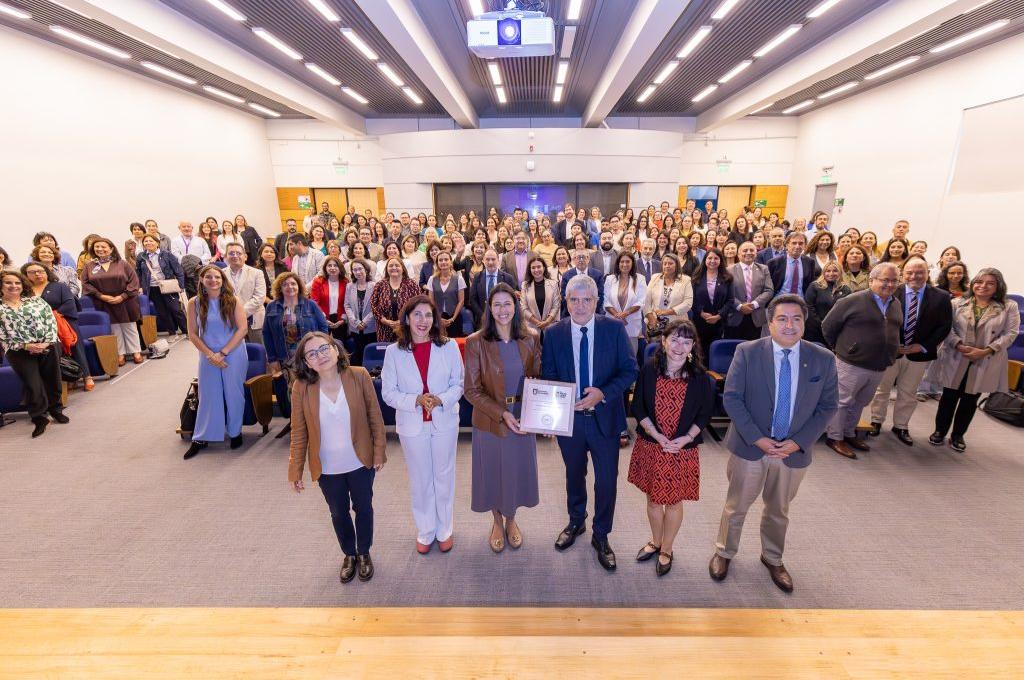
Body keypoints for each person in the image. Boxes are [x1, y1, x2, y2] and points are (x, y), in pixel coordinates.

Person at [709, 294, 838, 592]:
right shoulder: (748, 352)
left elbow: (828, 407)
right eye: (782, 318)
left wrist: (798, 442)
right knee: (736, 506)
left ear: (805, 324)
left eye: (796, 319)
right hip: (751, 447)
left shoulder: (823, 358)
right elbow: (732, 398)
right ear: (770, 323)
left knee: (779, 510)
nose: (789, 325)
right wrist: (758, 438)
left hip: (793, 452)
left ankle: (773, 557)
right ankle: (724, 552)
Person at [541, 274, 639, 571]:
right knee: (574, 475)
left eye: (587, 300)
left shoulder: (614, 329)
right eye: (574, 299)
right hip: (570, 422)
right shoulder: (555, 333)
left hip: (605, 419)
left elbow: (629, 371)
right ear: (566, 302)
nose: (580, 305)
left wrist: (603, 394)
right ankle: (576, 521)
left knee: (607, 481)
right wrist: (553, 411)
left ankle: (601, 534)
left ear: (597, 302)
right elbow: (550, 375)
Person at [288, 331, 386, 583]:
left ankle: (363, 552)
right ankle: (349, 554)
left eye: (323, 349)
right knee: (338, 513)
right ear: (306, 362)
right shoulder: (301, 387)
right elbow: (299, 432)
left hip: (359, 460)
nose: (319, 356)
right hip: (327, 466)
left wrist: (379, 452)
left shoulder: (359, 375)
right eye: (311, 353)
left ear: (335, 348)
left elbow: (375, 417)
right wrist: (295, 470)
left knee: (363, 507)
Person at [629, 319, 715, 576]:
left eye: (686, 341)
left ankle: (667, 548)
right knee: (654, 500)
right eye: (674, 339)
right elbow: (638, 407)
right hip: (651, 446)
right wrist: (655, 434)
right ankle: (655, 541)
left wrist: (686, 439)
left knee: (674, 502)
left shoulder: (700, 378)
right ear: (663, 341)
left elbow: (704, 415)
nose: (679, 346)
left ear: (692, 347)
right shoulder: (648, 370)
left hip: (681, 450)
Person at [381, 296, 465, 554]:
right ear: (407, 318)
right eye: (417, 315)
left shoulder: (448, 347)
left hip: (444, 420)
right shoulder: (393, 352)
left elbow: (458, 384)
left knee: (443, 476)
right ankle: (426, 530)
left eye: (428, 315)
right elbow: (388, 393)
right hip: (412, 424)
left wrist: (440, 399)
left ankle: (444, 529)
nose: (423, 321)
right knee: (421, 479)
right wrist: (415, 400)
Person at [464, 284, 541, 552]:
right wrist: (502, 414)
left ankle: (511, 520)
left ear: (515, 306)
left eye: (507, 304)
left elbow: (538, 380)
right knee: (494, 472)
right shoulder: (476, 342)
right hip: (491, 419)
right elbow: (471, 391)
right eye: (496, 304)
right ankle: (496, 521)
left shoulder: (531, 337)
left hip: (523, 418)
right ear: (489, 308)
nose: (502, 310)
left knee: (515, 472)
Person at [928, 268, 1019, 453]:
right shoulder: (957, 303)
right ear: (972, 283)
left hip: (985, 359)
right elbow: (948, 328)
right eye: (979, 281)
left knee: (970, 399)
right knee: (949, 396)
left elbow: (1011, 333)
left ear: (998, 287)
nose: (983, 286)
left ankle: (958, 435)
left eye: (990, 283)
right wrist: (958, 345)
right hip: (957, 355)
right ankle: (939, 431)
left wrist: (986, 350)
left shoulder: (1009, 306)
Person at [821, 263, 903, 459]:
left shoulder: (895, 303)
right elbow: (828, 326)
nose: (889, 284)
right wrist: (843, 349)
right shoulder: (852, 300)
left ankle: (849, 433)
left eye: (894, 281)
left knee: (860, 402)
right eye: (885, 280)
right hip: (851, 363)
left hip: (878, 364)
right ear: (871, 280)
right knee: (842, 401)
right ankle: (834, 437)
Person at [867, 257, 952, 446]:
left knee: (908, 392)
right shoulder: (889, 291)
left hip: (919, 353)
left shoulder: (941, 297)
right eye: (909, 272)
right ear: (902, 274)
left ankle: (901, 425)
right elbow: (876, 320)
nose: (914, 276)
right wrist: (891, 342)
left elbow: (944, 327)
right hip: (889, 351)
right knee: (882, 390)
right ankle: (876, 421)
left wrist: (922, 346)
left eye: (919, 272)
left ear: (927, 274)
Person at [183, 265, 249, 460]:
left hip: (233, 352)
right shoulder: (194, 303)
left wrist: (223, 352)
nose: (214, 280)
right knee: (208, 394)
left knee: (233, 393)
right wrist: (210, 354)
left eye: (217, 277)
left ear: (223, 279)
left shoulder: (233, 300)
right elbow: (192, 334)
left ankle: (235, 432)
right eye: (209, 277)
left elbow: (242, 329)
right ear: (202, 281)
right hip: (207, 354)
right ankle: (202, 436)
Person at [0, 270, 67, 437]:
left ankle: (56, 409)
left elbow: (51, 322)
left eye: (17, 283)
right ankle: (39, 417)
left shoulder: (36, 301)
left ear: (23, 285)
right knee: (32, 383)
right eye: (8, 282)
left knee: (53, 378)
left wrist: (46, 342)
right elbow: (1, 334)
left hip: (47, 345)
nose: (13, 286)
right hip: (18, 351)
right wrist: (25, 345)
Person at [263, 272, 329, 430]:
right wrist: (272, 359)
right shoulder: (273, 306)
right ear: (280, 288)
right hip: (286, 358)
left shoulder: (309, 304)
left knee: (313, 389)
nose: (289, 287)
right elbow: (267, 333)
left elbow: (323, 327)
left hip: (309, 356)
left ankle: (314, 422)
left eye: (293, 284)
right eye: (285, 284)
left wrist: (322, 351)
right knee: (294, 391)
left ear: (299, 286)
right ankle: (299, 423)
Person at [23, 262, 94, 391]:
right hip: (39, 327)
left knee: (75, 349)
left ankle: (86, 376)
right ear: (26, 275)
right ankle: (69, 378)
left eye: (40, 271)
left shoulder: (58, 286)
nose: (37, 274)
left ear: (46, 272)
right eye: (32, 272)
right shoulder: (25, 291)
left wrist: (50, 316)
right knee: (55, 353)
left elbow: (69, 304)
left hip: (64, 322)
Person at [80, 238, 144, 366]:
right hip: (104, 302)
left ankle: (136, 351)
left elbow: (134, 281)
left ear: (111, 248)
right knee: (114, 327)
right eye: (97, 247)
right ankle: (120, 353)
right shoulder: (89, 266)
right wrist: (101, 296)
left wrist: (123, 296)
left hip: (126, 300)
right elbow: (85, 284)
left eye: (103, 246)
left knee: (129, 326)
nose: (100, 249)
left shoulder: (122, 263)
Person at [135, 233, 188, 337]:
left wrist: (181, 286)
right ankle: (172, 332)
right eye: (146, 241)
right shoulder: (141, 257)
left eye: (151, 241)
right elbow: (138, 273)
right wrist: (140, 286)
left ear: (157, 243)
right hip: (152, 288)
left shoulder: (166, 254)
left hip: (168, 286)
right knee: (162, 312)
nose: (148, 243)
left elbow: (178, 271)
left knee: (176, 309)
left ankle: (187, 331)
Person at [725, 242, 774, 341]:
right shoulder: (728, 270)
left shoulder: (763, 269)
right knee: (733, 348)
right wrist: (739, 306)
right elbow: (725, 292)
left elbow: (769, 290)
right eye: (745, 250)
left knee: (753, 348)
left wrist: (754, 304)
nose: (748, 253)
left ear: (756, 253)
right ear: (738, 254)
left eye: (752, 250)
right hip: (735, 315)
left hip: (756, 316)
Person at [690, 248, 734, 359]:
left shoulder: (727, 278)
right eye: (709, 258)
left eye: (716, 258)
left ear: (720, 260)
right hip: (700, 322)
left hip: (719, 323)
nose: (712, 261)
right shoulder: (696, 277)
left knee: (715, 354)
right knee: (700, 353)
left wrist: (719, 316)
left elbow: (730, 301)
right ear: (705, 260)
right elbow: (692, 299)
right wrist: (701, 313)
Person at [222, 243, 267, 344]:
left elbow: (259, 297)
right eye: (231, 253)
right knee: (235, 352)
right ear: (226, 257)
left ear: (245, 256)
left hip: (254, 320)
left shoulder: (257, 273)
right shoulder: (221, 274)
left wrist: (239, 314)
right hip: (230, 321)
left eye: (238, 253)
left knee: (260, 352)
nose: (235, 256)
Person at [369, 258, 421, 343]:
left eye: (397, 265)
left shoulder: (412, 284)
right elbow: (373, 304)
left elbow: (418, 305)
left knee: (406, 352)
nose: (394, 268)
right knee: (387, 353)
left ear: (403, 268)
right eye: (390, 266)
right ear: (386, 269)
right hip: (384, 329)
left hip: (407, 328)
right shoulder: (380, 285)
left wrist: (403, 320)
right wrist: (383, 320)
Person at [604, 251, 647, 355]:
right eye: (622, 262)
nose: (625, 264)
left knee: (630, 356)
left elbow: (641, 301)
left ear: (632, 263)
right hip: (612, 322)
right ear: (618, 264)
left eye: (628, 262)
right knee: (612, 356)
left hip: (631, 324)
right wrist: (618, 316)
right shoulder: (610, 279)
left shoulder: (640, 279)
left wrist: (625, 314)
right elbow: (606, 301)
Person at [643, 252, 693, 340]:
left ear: (677, 265)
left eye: (670, 263)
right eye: (665, 263)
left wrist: (667, 312)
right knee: (655, 351)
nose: (667, 266)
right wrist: (650, 317)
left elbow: (688, 303)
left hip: (677, 324)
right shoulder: (655, 278)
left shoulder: (686, 280)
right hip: (655, 324)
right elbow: (646, 300)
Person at [803, 261, 852, 344]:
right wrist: (822, 324)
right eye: (828, 271)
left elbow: (847, 310)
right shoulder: (815, 286)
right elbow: (809, 307)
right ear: (824, 272)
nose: (831, 273)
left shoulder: (846, 289)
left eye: (835, 271)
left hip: (836, 331)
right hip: (815, 330)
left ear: (840, 272)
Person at [424, 251, 466, 338]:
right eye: (441, 260)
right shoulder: (432, 279)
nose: (443, 262)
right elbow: (431, 301)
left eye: (446, 259)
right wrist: (438, 317)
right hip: (437, 317)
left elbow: (461, 301)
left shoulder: (459, 279)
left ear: (450, 262)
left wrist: (453, 318)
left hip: (455, 318)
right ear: (437, 263)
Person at [469, 248, 516, 326]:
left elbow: (512, 301)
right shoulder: (477, 277)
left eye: (493, 259)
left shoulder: (508, 278)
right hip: (483, 321)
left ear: (498, 260)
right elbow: (473, 300)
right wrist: (483, 316)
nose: (490, 262)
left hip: (503, 320)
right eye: (487, 259)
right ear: (483, 261)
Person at [344, 259, 377, 366]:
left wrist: (365, 321)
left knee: (370, 356)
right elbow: (347, 305)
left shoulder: (375, 285)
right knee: (357, 356)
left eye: (360, 269)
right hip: (355, 328)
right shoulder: (349, 286)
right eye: (355, 270)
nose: (358, 272)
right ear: (352, 272)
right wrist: (356, 322)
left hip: (371, 328)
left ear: (366, 270)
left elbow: (376, 306)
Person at [767, 232, 820, 298]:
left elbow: (810, 285)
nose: (797, 246)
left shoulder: (810, 262)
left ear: (805, 246)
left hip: (801, 302)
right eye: (794, 243)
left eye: (801, 243)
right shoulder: (774, 263)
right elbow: (768, 287)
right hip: (779, 302)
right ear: (787, 245)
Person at [309, 256, 349, 342]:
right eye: (329, 265)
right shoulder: (318, 281)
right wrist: (323, 318)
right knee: (322, 344)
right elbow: (314, 302)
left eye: (335, 265)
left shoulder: (345, 282)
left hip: (340, 319)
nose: (332, 268)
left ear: (340, 268)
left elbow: (348, 302)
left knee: (340, 346)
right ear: (325, 268)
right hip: (322, 317)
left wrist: (343, 319)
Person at [559, 248, 605, 317]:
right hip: (572, 313)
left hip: (594, 312)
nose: (581, 260)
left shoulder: (597, 275)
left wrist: (590, 311)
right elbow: (564, 297)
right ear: (573, 260)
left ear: (588, 259)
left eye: (583, 257)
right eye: (578, 257)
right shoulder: (566, 276)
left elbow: (600, 296)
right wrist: (576, 311)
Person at [521, 256, 560, 336]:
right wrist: (538, 323)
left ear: (544, 268)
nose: (536, 270)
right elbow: (523, 308)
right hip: (532, 329)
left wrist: (547, 322)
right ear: (530, 270)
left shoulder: (553, 284)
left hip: (550, 327)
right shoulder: (525, 285)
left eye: (539, 267)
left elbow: (556, 306)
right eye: (533, 268)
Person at [257, 244, 289, 308]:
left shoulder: (283, 267)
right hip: (264, 304)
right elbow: (257, 291)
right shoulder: (256, 270)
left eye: (272, 252)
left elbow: (288, 284)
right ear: (261, 254)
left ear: (275, 254)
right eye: (266, 251)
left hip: (283, 302)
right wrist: (269, 301)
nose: (269, 254)